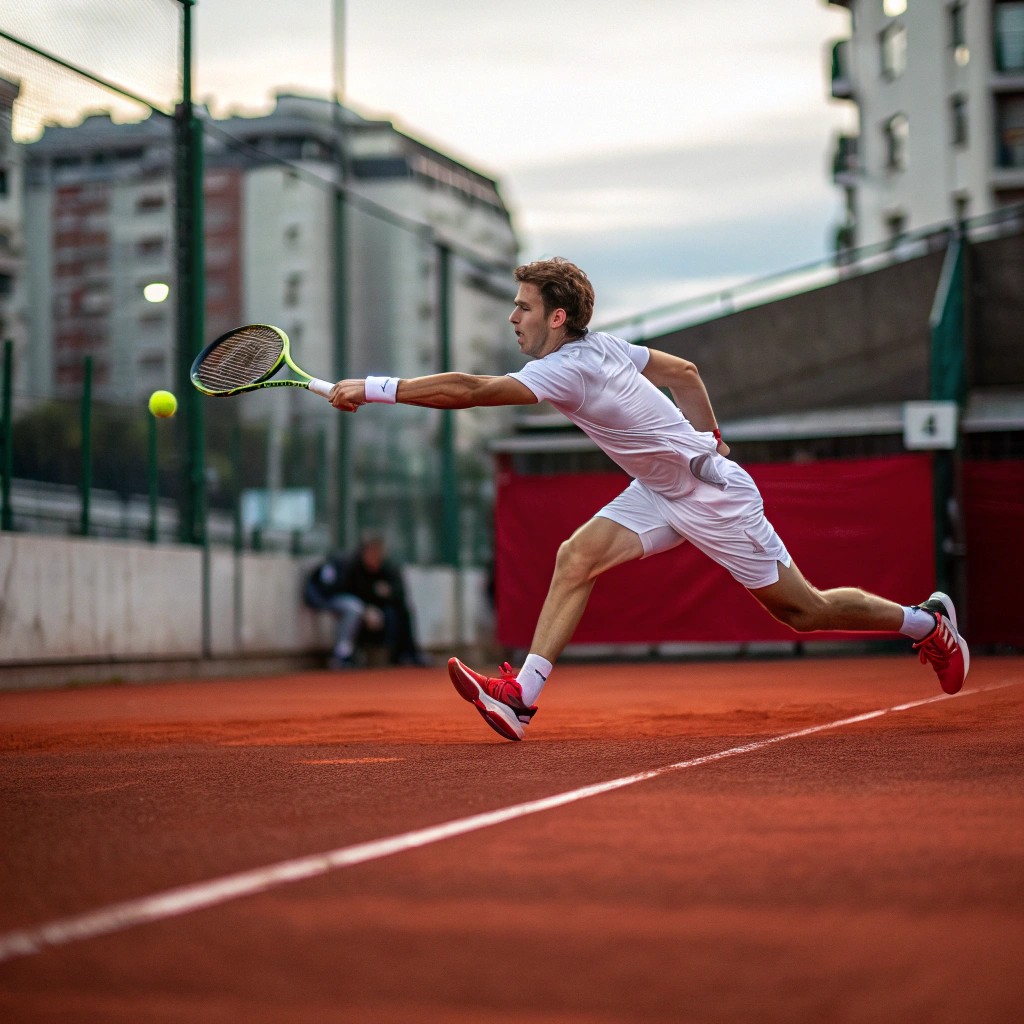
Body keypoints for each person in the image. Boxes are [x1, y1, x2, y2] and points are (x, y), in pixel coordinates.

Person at [328, 258, 969, 740]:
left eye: (523, 307)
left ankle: (928, 622)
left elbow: (469, 389)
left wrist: (374, 387)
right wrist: (708, 436)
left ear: (557, 318)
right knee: (575, 556)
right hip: (660, 489)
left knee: (805, 611)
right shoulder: (603, 347)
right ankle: (520, 697)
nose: (512, 317)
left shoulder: (566, 367)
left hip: (712, 499)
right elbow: (682, 372)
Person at [304, 534, 425, 669]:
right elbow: (345, 590)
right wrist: (367, 609)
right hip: (357, 607)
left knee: (401, 611)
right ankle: (344, 655)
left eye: (378, 552)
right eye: (371, 552)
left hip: (380, 609)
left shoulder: (388, 567)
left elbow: (399, 593)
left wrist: (388, 594)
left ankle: (407, 654)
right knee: (354, 608)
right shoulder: (352, 565)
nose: (375, 556)